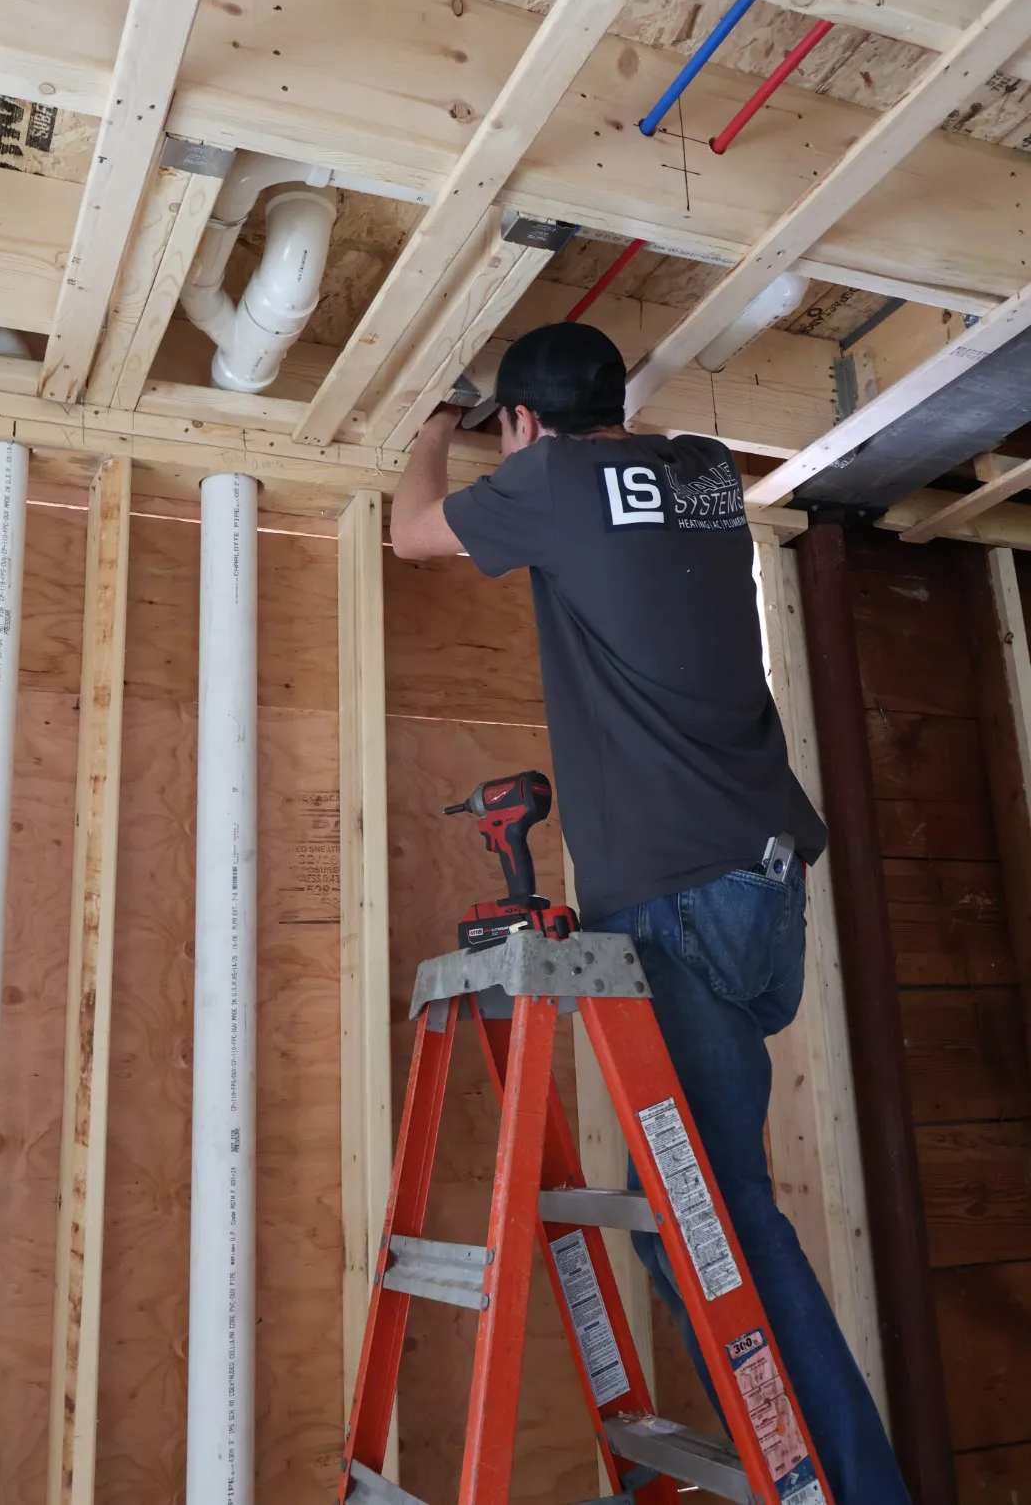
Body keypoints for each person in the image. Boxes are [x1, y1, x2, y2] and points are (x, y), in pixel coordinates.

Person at [389, 320, 910, 1505]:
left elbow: (410, 531)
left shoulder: (551, 481)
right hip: (765, 892)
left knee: (715, 1221)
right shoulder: (706, 469)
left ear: (519, 426)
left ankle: (846, 1489)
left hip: (676, 903)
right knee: (689, 1219)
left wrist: (432, 424)